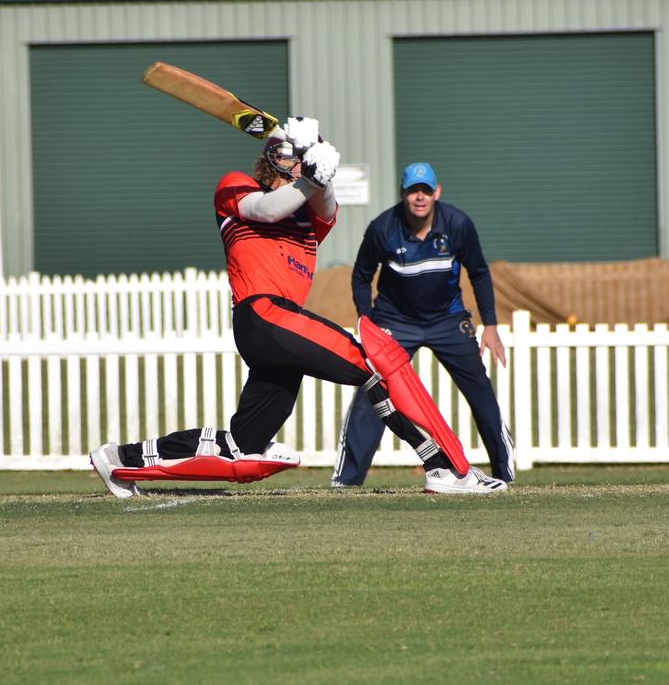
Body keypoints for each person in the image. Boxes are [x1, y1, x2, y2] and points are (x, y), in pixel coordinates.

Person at [90, 120, 507, 497]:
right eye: (290, 153)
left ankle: (121, 458)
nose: (297, 161)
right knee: (376, 366)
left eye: (302, 155)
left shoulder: (313, 215)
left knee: (244, 443)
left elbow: (323, 202)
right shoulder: (235, 186)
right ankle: (443, 466)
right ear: (271, 157)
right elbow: (266, 209)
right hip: (263, 313)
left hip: (275, 329)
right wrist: (310, 175)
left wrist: (319, 168)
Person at [332, 162, 514, 488]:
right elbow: (361, 276)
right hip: (395, 322)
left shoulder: (457, 224)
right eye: (414, 191)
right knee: (374, 393)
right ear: (403, 194)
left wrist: (490, 325)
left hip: (448, 319)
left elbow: (479, 273)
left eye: (426, 191)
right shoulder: (382, 228)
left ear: (437, 193)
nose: (420, 197)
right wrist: (367, 323)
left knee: (480, 391)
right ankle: (346, 482)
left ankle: (505, 475)